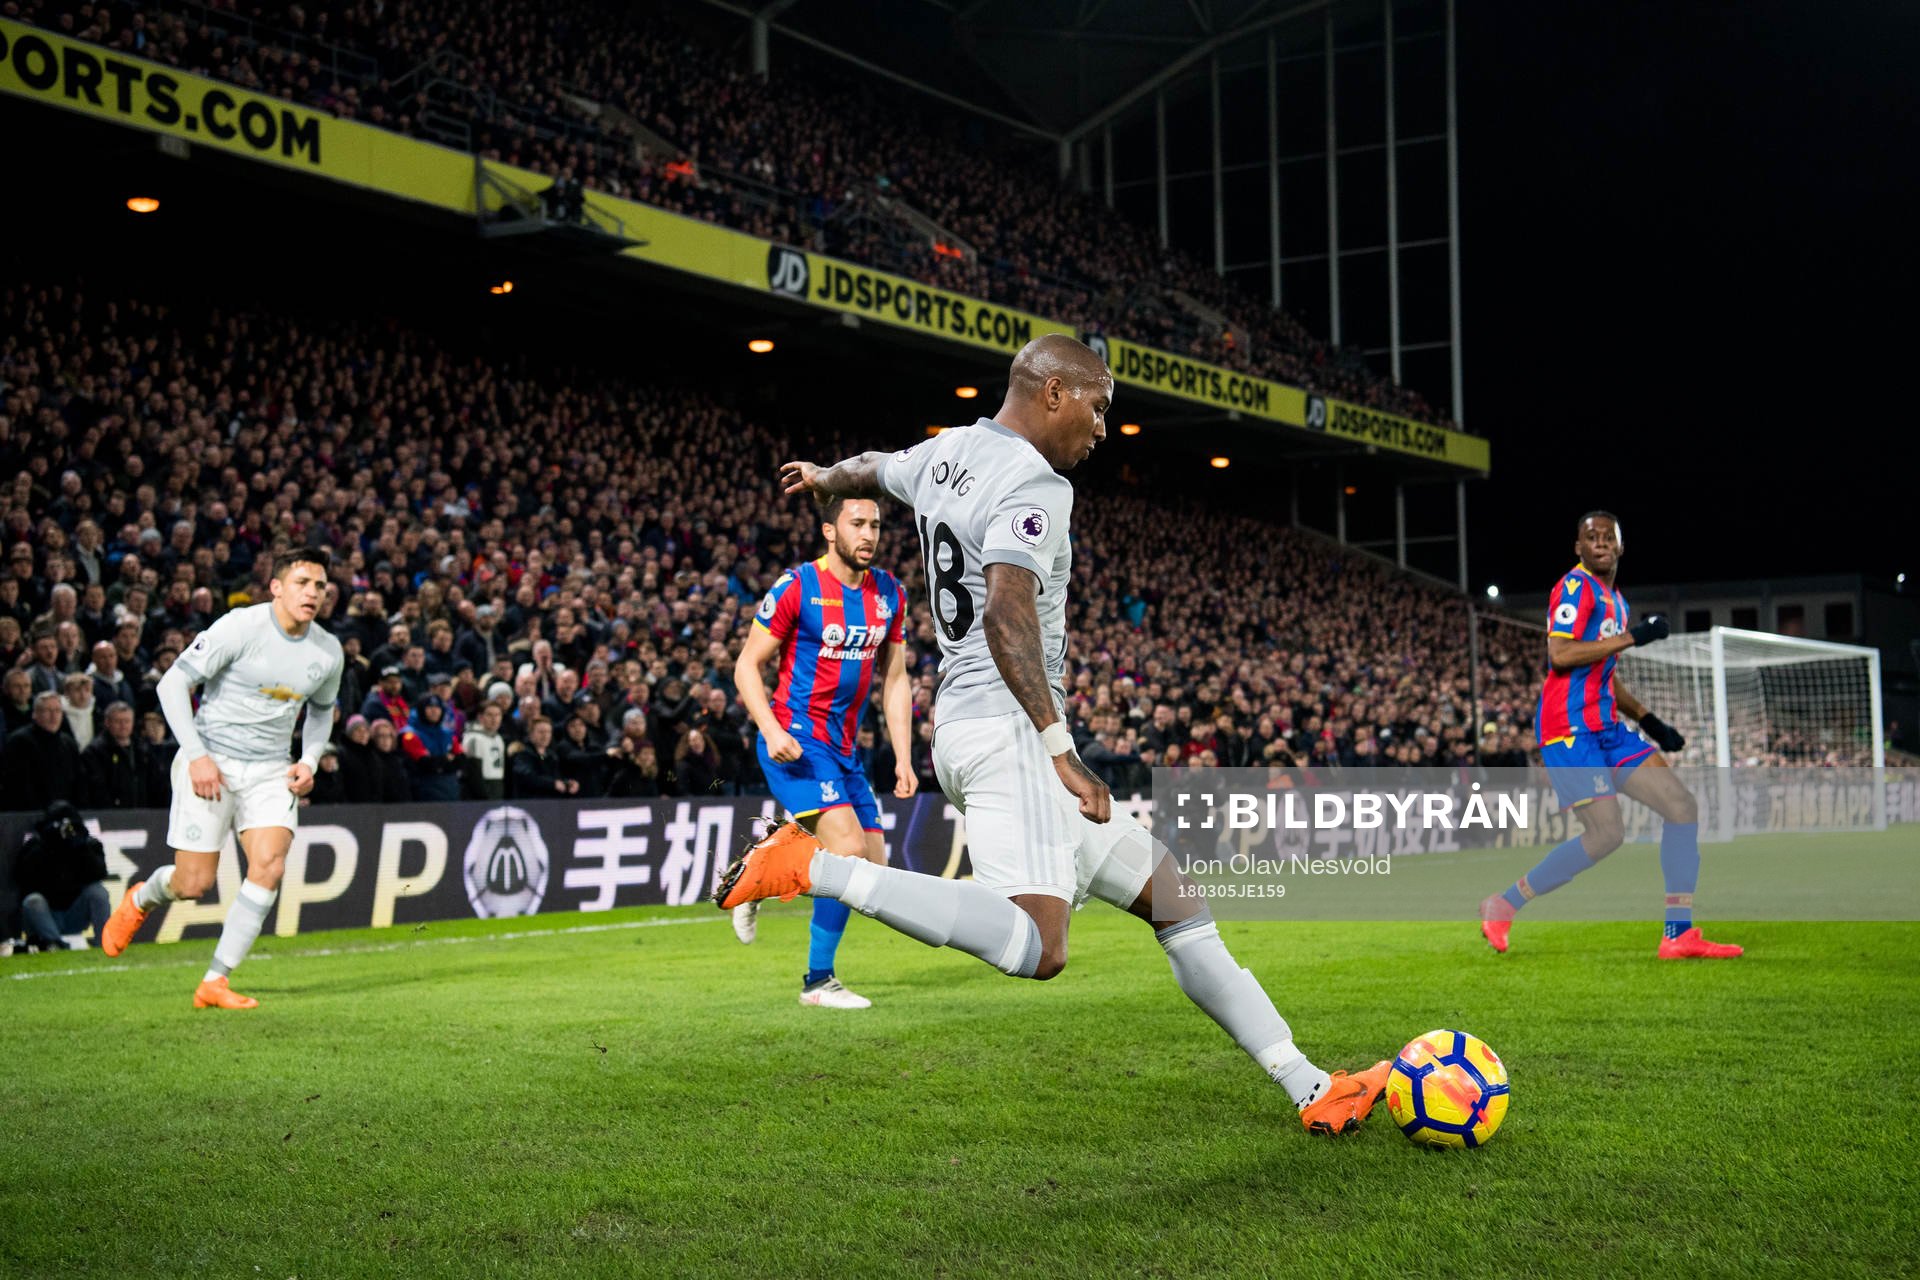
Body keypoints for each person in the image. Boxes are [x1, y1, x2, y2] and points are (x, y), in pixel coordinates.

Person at [717, 335, 1389, 1134]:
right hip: (1006, 729)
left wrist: (825, 476)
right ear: (1054, 393)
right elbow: (1007, 610)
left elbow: (873, 467)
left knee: (1173, 898)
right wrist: (1059, 748)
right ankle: (810, 866)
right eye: (1098, 408)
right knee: (1040, 946)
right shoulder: (1035, 482)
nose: (1102, 428)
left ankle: (1310, 1086)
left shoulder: (946, 451)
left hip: (965, 721)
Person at [1479, 513, 1740, 959]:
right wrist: (1634, 637)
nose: (1600, 543)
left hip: (1606, 728)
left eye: (1608, 537)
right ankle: (1504, 904)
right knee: (1606, 834)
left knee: (1681, 806)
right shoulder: (1574, 587)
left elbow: (1603, 670)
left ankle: (1678, 934)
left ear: (1621, 547)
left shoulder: (1616, 601)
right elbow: (1561, 655)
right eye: (1591, 537)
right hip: (1568, 727)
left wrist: (1649, 720)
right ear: (1578, 548)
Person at [100, 548, 346, 1010]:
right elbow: (172, 684)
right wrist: (197, 756)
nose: (312, 592)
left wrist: (310, 760)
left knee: (269, 865)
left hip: (271, 769)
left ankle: (215, 981)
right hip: (212, 758)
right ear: (276, 587)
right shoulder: (240, 627)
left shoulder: (328, 650)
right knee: (193, 883)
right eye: (302, 583)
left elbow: (320, 711)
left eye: (320, 585)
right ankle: (141, 898)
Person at [729, 496, 915, 1009]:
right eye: (857, 524)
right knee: (848, 854)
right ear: (830, 530)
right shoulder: (798, 586)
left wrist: (903, 756)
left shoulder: (889, 593)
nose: (868, 534)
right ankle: (817, 982)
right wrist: (770, 730)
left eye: (875, 524)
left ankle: (762, 876)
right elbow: (746, 665)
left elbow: (895, 678)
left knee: (872, 873)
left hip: (845, 749)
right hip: (797, 740)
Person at [14, 801, 111, 949]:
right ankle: (55, 944)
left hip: (75, 913)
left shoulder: (88, 844)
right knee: (33, 901)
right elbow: (22, 877)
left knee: (98, 892)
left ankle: (105, 943)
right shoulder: (36, 845)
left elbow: (99, 873)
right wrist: (50, 843)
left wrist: (79, 845)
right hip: (47, 914)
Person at [4, 692, 82, 811]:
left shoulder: (68, 743)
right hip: (30, 813)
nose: (53, 716)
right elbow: (17, 785)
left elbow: (78, 781)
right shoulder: (19, 741)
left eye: (57, 711)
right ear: (35, 714)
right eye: (47, 711)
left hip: (66, 811)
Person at [80, 701, 147, 809]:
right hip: (109, 813)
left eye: (127, 721)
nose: (123, 726)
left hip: (141, 811)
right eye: (118, 721)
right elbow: (96, 787)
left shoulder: (142, 749)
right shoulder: (94, 752)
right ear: (107, 722)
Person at [399, 694, 464, 802]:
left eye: (437, 707)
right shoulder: (410, 734)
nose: (434, 711)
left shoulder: (447, 733)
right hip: (423, 792)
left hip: (450, 790)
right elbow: (425, 764)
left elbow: (461, 759)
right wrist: (447, 759)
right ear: (421, 710)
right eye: (430, 707)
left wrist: (440, 762)